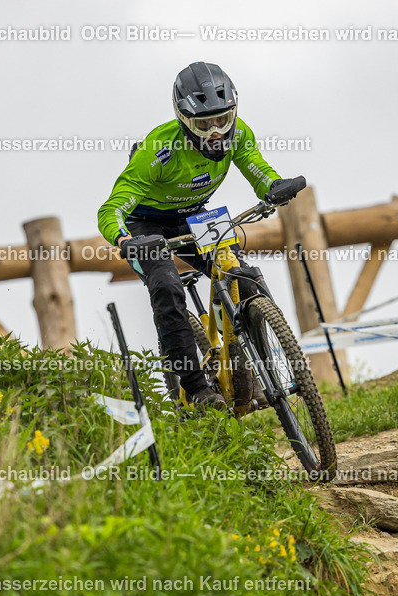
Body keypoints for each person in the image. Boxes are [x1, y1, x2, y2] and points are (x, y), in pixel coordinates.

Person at [97, 62, 302, 409]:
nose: (216, 131)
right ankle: (194, 387)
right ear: (184, 120)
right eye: (204, 124)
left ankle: (256, 369)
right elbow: (111, 209)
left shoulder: (239, 135)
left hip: (195, 215)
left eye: (222, 119)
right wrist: (125, 240)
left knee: (244, 278)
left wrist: (273, 187)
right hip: (144, 226)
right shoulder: (157, 151)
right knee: (166, 286)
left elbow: (258, 169)